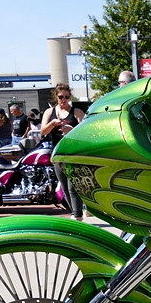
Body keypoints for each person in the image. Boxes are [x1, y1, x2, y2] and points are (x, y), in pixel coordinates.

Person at [41, 82, 86, 221]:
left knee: (73, 185)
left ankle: (77, 216)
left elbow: (85, 132)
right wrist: (52, 124)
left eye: (67, 96)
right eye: (61, 97)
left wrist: (71, 130)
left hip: (73, 153)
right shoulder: (50, 112)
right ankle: (75, 211)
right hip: (57, 153)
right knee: (64, 186)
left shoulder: (76, 112)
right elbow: (43, 131)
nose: (64, 100)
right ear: (56, 97)